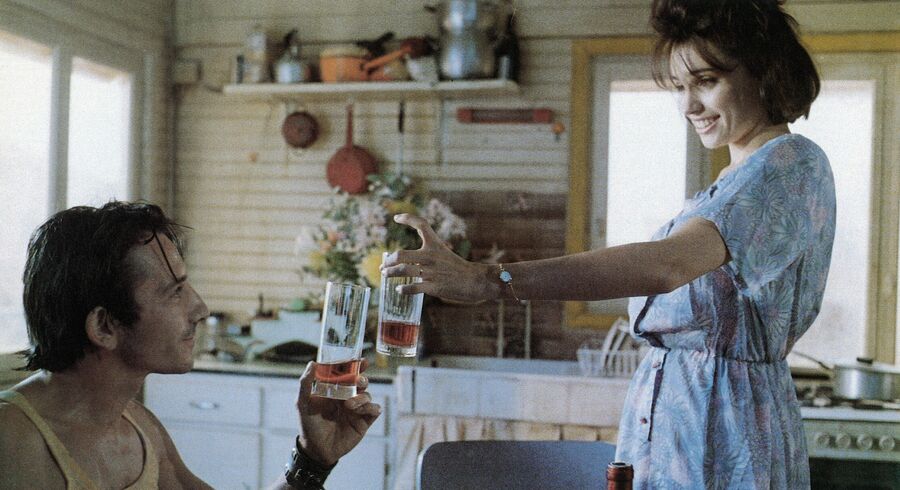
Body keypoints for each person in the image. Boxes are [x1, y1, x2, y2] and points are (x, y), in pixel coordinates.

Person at [383, 0, 833, 488]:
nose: (688, 106)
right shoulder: (731, 180)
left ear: (764, 72)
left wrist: (491, 279)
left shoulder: (789, 164)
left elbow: (665, 265)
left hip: (728, 434)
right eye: (679, 87)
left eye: (705, 81)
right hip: (679, 434)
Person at [0, 201, 381, 489]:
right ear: (103, 326)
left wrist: (311, 460)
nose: (200, 308)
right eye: (174, 292)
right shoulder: (13, 441)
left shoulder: (139, 427)